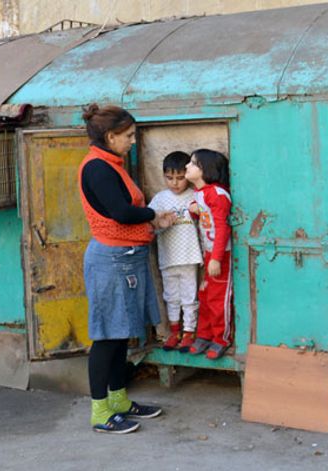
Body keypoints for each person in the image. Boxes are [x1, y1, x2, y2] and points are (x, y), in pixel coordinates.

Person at [78, 103, 174, 434]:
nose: (133, 141)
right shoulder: (97, 168)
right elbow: (120, 212)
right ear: (111, 136)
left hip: (127, 255)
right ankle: (100, 411)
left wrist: (150, 218)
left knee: (120, 335)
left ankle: (119, 400)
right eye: (129, 135)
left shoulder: (112, 164)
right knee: (106, 336)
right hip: (110, 260)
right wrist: (152, 214)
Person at [148, 151, 203, 352]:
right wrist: (160, 223)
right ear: (163, 176)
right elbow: (149, 223)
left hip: (189, 255)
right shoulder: (160, 199)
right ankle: (174, 331)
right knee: (171, 295)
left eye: (180, 178)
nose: (175, 183)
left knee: (189, 296)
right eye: (170, 178)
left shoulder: (195, 196)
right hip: (167, 256)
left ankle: (189, 332)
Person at [184, 149, 233, 360]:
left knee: (218, 298)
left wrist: (216, 258)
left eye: (193, 163)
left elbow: (223, 229)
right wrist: (193, 207)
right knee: (204, 295)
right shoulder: (202, 193)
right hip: (208, 253)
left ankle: (221, 338)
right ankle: (204, 334)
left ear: (206, 170)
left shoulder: (218, 194)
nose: (187, 166)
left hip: (221, 255)